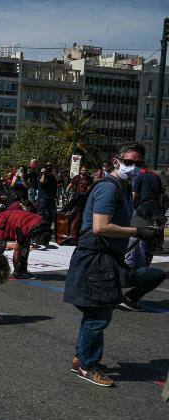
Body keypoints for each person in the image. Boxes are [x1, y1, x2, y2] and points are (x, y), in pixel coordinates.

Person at [64, 143, 166, 387]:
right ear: (115, 161)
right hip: (96, 258)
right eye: (129, 162)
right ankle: (88, 366)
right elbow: (100, 226)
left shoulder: (121, 187)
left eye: (139, 163)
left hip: (104, 257)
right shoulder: (109, 189)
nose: (134, 168)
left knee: (94, 313)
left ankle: (81, 359)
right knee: (98, 315)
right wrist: (138, 231)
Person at [0, 209, 51, 279]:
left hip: (18, 220)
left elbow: (25, 249)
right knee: (2, 246)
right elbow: (17, 251)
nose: (35, 242)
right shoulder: (23, 231)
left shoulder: (41, 225)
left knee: (25, 249)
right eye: (37, 240)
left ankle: (22, 271)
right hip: (4, 220)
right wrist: (16, 270)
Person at [37, 163, 58, 231]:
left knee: (51, 214)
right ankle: (40, 228)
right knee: (41, 213)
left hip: (51, 197)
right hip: (43, 197)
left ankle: (48, 228)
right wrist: (43, 173)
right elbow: (42, 181)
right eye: (47, 166)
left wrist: (54, 173)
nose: (49, 168)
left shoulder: (53, 175)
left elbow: (58, 180)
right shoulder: (41, 174)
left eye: (50, 166)